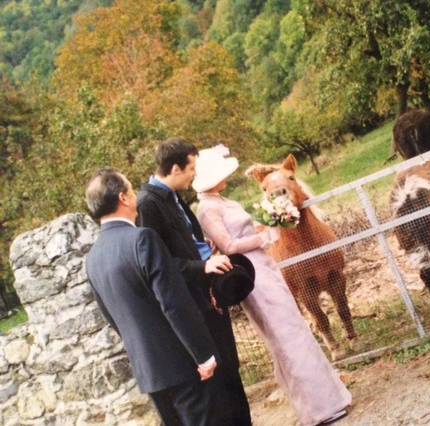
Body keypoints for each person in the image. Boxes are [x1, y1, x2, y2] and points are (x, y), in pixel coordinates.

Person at [193, 145, 352, 426]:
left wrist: (268, 225)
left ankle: (327, 399)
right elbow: (228, 245)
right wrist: (266, 236)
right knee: (286, 337)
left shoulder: (221, 200)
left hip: (264, 265)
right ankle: (318, 407)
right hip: (250, 272)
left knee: (296, 331)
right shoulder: (207, 209)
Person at [84, 169, 229, 425]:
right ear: (124, 198)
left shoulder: (93, 257)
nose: (134, 196)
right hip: (183, 365)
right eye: (131, 190)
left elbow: (110, 316)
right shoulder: (142, 239)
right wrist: (201, 355)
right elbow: (173, 302)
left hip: (149, 372)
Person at [136, 138, 251, 425]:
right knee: (220, 382)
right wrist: (203, 266)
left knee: (232, 370)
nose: (194, 175)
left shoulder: (174, 196)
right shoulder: (148, 205)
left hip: (210, 295)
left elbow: (187, 243)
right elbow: (159, 265)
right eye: (192, 169)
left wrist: (205, 250)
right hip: (194, 304)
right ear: (175, 168)